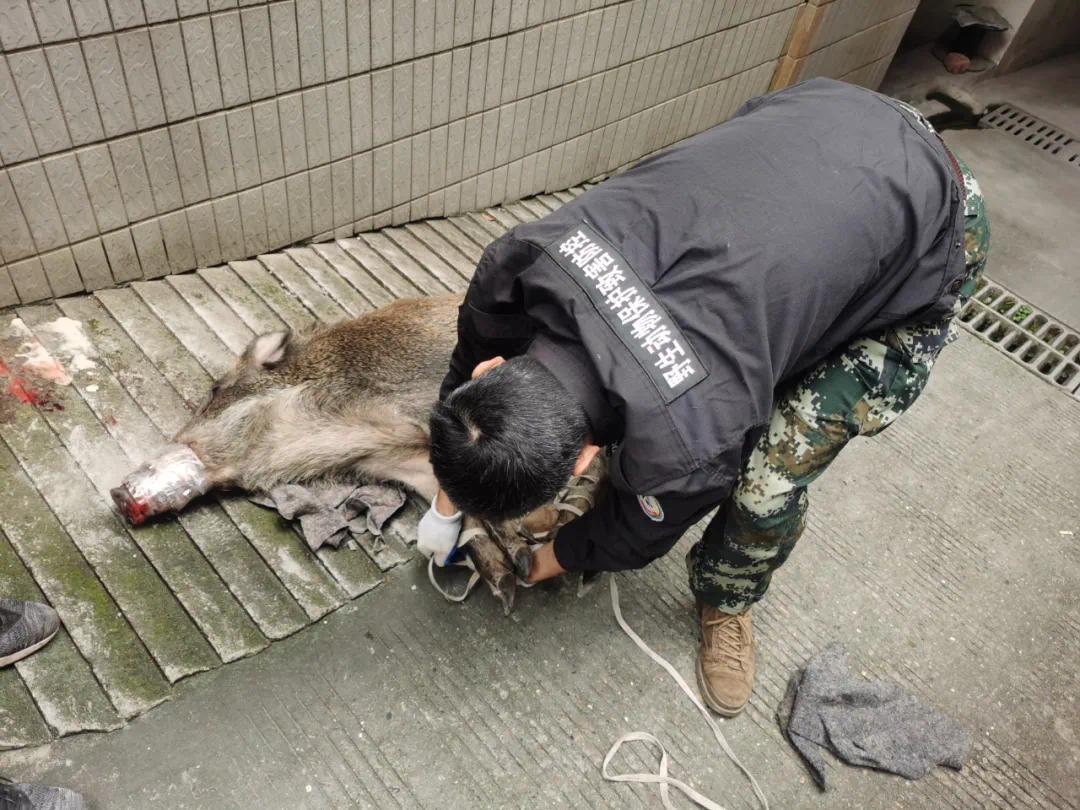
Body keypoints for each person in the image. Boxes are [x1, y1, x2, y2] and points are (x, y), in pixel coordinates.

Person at [417, 78, 989, 717]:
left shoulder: (689, 444)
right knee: (753, 357)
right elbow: (464, 393)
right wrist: (447, 505)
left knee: (770, 472)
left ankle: (728, 594)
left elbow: (634, 537)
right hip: (820, 114)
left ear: (582, 462)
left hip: (936, 216)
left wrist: (546, 560)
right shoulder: (516, 263)